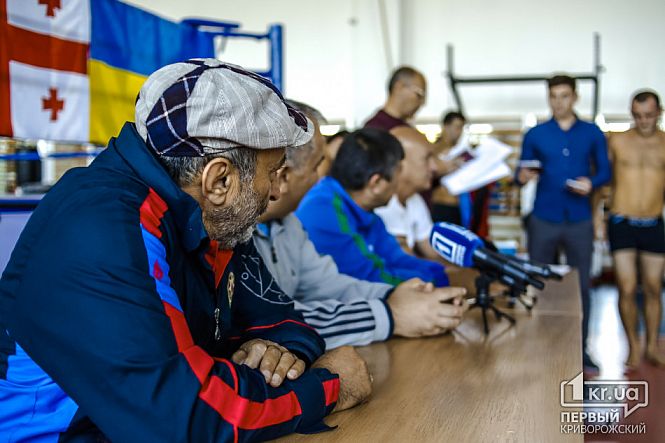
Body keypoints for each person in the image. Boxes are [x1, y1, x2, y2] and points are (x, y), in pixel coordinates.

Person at [0, 59, 371, 442]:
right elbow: (179, 419)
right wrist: (328, 388)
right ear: (219, 180)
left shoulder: (214, 218)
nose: (277, 191)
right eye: (273, 172)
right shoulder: (106, 227)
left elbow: (282, 321)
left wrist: (279, 355)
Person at [254, 101, 467, 350]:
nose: (319, 178)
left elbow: (329, 285)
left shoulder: (288, 223)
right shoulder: (319, 208)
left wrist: (397, 295)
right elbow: (274, 321)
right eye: (316, 167)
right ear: (284, 177)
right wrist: (392, 314)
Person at [516, 74, 611, 371]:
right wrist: (522, 177)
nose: (558, 102)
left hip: (579, 219)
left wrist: (591, 182)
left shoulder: (592, 132)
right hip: (543, 217)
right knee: (538, 282)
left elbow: (606, 172)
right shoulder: (535, 134)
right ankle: (540, 343)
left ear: (575, 97)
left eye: (564, 96)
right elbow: (521, 171)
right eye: (553, 96)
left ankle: (581, 349)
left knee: (581, 285)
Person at [296, 127, 448, 287]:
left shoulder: (368, 214)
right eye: (398, 173)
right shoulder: (323, 210)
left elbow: (397, 259)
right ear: (376, 183)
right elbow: (367, 278)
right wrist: (433, 282)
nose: (398, 183)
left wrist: (440, 274)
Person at [607, 90, 665, 369]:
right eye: (637, 115)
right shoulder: (618, 141)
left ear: (659, 113)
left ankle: (652, 346)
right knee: (627, 288)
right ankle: (632, 346)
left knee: (653, 287)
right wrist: (597, 217)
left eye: (649, 115)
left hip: (653, 222)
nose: (643, 121)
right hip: (622, 221)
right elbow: (603, 181)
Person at [431, 111, 467, 225]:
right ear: (446, 126)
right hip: (440, 205)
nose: (459, 132)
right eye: (457, 127)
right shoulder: (433, 149)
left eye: (461, 128)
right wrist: (446, 167)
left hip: (457, 206)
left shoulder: (460, 151)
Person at [364, 66, 427, 131]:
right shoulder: (374, 129)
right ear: (399, 87)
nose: (422, 102)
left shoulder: (406, 129)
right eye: (419, 95)